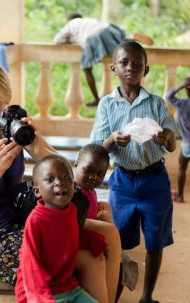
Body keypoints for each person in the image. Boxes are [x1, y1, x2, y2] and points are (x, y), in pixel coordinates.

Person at [0, 60, 120, 303]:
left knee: (107, 234)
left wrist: (37, 146)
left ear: (7, 99)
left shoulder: (11, 128)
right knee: (90, 258)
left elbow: (66, 174)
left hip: (20, 224)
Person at [91, 40, 179, 303]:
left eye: (137, 64)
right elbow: (96, 147)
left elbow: (173, 143)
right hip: (123, 182)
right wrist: (112, 140)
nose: (131, 68)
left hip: (155, 181)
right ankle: (112, 294)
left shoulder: (156, 104)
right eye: (124, 63)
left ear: (146, 70)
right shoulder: (107, 104)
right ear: (113, 68)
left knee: (155, 241)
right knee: (118, 242)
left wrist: (166, 138)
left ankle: (147, 297)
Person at [15, 154, 107, 303]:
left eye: (65, 178)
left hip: (67, 287)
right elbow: (29, 262)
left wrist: (94, 241)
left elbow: (70, 234)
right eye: (50, 180)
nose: (59, 183)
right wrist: (41, 297)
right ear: (37, 191)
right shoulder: (36, 220)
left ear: (74, 186)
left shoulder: (71, 210)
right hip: (39, 292)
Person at [74, 144, 135, 303]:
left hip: (92, 240)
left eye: (99, 174)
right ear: (76, 164)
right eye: (88, 170)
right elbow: (75, 226)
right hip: (80, 244)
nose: (93, 177)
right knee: (116, 260)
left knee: (123, 265)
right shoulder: (72, 192)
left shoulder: (89, 191)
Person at [53, 13, 153, 107]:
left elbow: (57, 40)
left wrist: (71, 40)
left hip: (91, 37)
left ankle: (96, 99)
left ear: (70, 20)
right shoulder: (87, 20)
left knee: (87, 67)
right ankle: (131, 38)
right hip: (107, 28)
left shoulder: (71, 24)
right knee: (119, 46)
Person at [166, 74, 190, 202]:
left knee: (182, 168)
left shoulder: (182, 104)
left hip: (187, 144)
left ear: (187, 89)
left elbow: (168, 96)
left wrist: (181, 85)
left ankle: (180, 195)